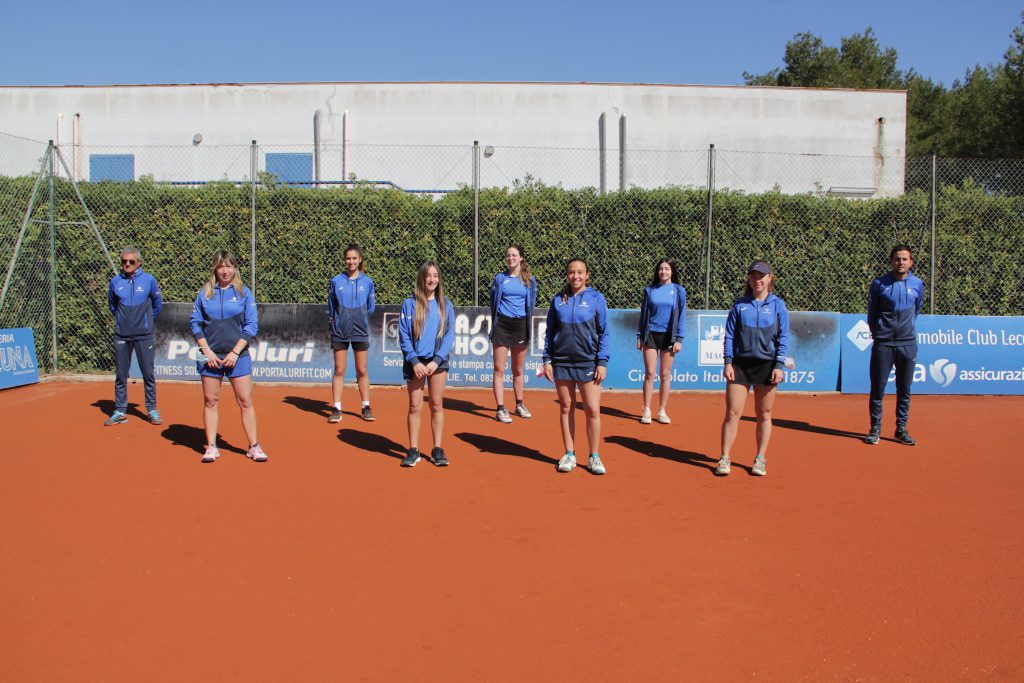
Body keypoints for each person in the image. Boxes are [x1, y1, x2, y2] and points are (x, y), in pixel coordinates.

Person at [189, 250, 266, 463]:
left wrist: (234, 352)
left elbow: (252, 326)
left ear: (235, 269)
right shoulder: (205, 293)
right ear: (215, 268)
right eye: (221, 266)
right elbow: (195, 323)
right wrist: (207, 352)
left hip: (238, 357)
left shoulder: (244, 293)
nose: (225, 271)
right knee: (210, 400)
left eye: (229, 266)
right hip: (210, 357)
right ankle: (211, 447)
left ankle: (254, 446)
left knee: (245, 400)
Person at [716, 260, 789, 477]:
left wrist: (779, 365)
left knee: (764, 414)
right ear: (749, 279)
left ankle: (760, 459)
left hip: (767, 366)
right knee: (732, 413)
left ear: (770, 278)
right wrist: (728, 362)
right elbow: (729, 335)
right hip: (740, 365)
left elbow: (783, 337)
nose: (757, 280)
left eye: (761, 276)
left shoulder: (778, 305)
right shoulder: (739, 305)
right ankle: (724, 458)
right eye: (753, 276)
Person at [542, 258, 610, 475]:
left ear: (587, 274)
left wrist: (602, 362)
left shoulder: (597, 299)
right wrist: (547, 359)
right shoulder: (557, 300)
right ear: (567, 275)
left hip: (588, 361)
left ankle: (594, 456)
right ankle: (569, 454)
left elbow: (604, 332)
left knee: (592, 409)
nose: (576, 276)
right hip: (561, 361)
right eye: (572, 272)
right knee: (566, 407)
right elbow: (550, 332)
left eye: (580, 272)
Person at [865, 245, 924, 446]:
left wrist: (905, 331)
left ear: (911, 262)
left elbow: (916, 309)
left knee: (904, 388)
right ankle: (875, 429)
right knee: (878, 388)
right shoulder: (879, 283)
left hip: (908, 344)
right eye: (897, 259)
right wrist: (879, 333)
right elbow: (872, 313)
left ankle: (901, 429)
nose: (901, 262)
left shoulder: (917, 284)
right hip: (883, 343)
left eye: (904, 259)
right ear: (891, 262)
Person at [398, 261, 455, 468]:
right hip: (415, 363)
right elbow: (403, 335)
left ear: (439, 279)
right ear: (422, 279)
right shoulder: (409, 304)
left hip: (437, 362)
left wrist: (437, 360)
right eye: (428, 276)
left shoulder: (446, 305)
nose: (432, 279)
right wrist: (414, 361)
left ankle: (437, 448)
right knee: (415, 405)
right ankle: (413, 450)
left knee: (436, 404)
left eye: (435, 276)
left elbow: (449, 336)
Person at [105, 246, 163, 426]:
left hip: (144, 335)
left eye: (131, 261)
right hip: (121, 334)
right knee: (121, 374)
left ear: (138, 263)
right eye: (124, 261)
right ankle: (120, 410)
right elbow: (112, 306)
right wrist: (124, 322)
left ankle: (152, 409)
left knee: (148, 373)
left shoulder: (149, 281)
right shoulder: (115, 282)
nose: (127, 265)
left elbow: (157, 305)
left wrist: (144, 322)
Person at [327, 243, 377, 423]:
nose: (351, 262)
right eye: (348, 258)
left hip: (360, 330)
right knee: (339, 369)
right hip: (340, 331)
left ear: (360, 259)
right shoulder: (335, 281)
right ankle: (336, 407)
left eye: (354, 258)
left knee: (361, 369)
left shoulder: (368, 282)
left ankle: (365, 406)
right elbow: (331, 307)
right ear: (344, 260)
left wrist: (359, 317)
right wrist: (336, 322)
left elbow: (371, 308)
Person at [489, 244, 538, 423]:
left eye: (514, 255)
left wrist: (524, 321)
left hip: (520, 325)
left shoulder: (529, 280)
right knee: (499, 369)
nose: (510, 258)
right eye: (508, 255)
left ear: (521, 258)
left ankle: (519, 404)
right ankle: (501, 409)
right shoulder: (500, 279)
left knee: (517, 369)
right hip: (502, 324)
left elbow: (531, 303)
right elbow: (493, 301)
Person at [636, 257, 686, 425]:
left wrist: (679, 338)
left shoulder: (679, 291)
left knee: (665, 375)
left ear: (672, 271)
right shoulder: (649, 290)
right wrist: (639, 336)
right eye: (661, 268)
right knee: (650, 373)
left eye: (667, 269)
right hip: (650, 335)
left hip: (669, 336)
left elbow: (682, 316)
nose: (663, 271)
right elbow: (643, 314)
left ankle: (662, 411)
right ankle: (646, 409)